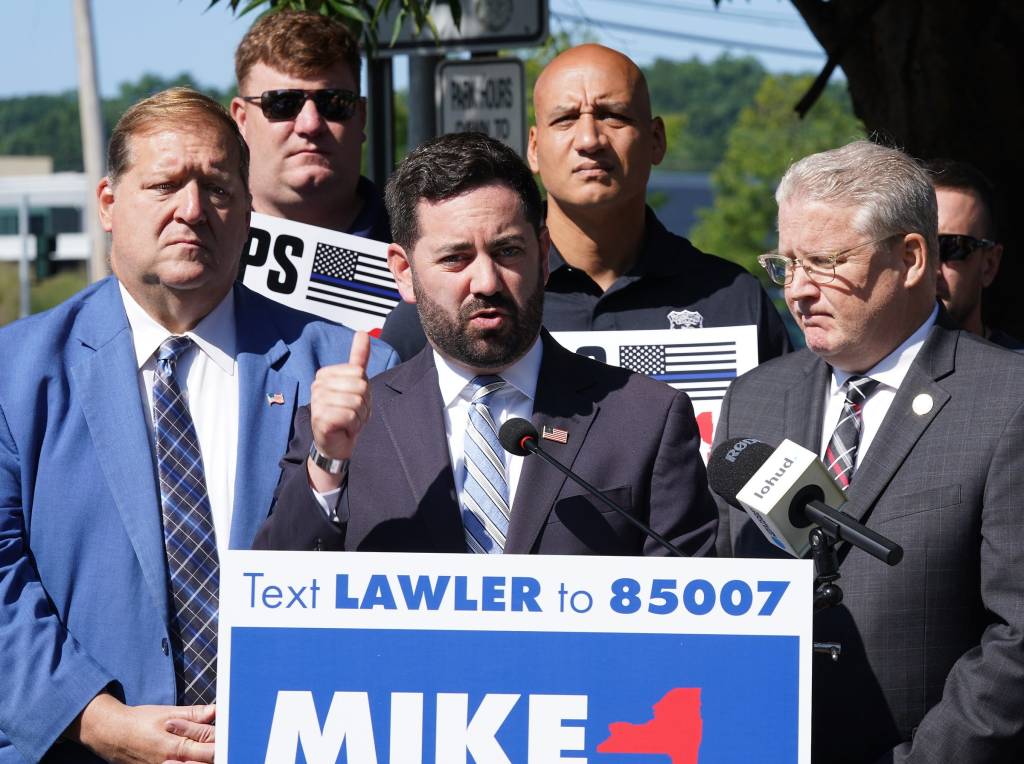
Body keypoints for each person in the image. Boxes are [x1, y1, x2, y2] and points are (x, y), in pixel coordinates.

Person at [0, 88, 396, 763]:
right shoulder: (15, 374)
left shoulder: (350, 365)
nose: (191, 210)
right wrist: (95, 719)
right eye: (164, 185)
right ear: (107, 203)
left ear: (246, 210)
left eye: (216, 186)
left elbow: (397, 568)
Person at [254, 131, 717, 558]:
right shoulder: (345, 429)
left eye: (507, 251)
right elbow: (271, 603)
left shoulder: (646, 421)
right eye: (455, 258)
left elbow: (689, 621)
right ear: (403, 272)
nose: (486, 281)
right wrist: (328, 461)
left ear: (543, 254)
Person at [714, 141, 1024, 762]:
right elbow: (728, 593)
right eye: (785, 265)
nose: (797, 291)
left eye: (825, 263)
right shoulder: (753, 400)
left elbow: (1016, 637)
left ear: (911, 258)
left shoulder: (1007, 400)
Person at [380, 44, 790, 363]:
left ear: (656, 140)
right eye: (566, 119)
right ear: (534, 149)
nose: (590, 139)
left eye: (614, 115)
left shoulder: (733, 300)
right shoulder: (457, 308)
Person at [230, 10, 388, 241]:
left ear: (361, 116)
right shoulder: (197, 247)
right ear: (242, 120)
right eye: (283, 103)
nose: (311, 124)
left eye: (334, 102)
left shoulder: (424, 246)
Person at [922, 157, 1022, 349]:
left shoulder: (1015, 376)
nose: (928, 268)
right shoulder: (856, 372)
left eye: (951, 246)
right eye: (911, 248)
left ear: (989, 265)